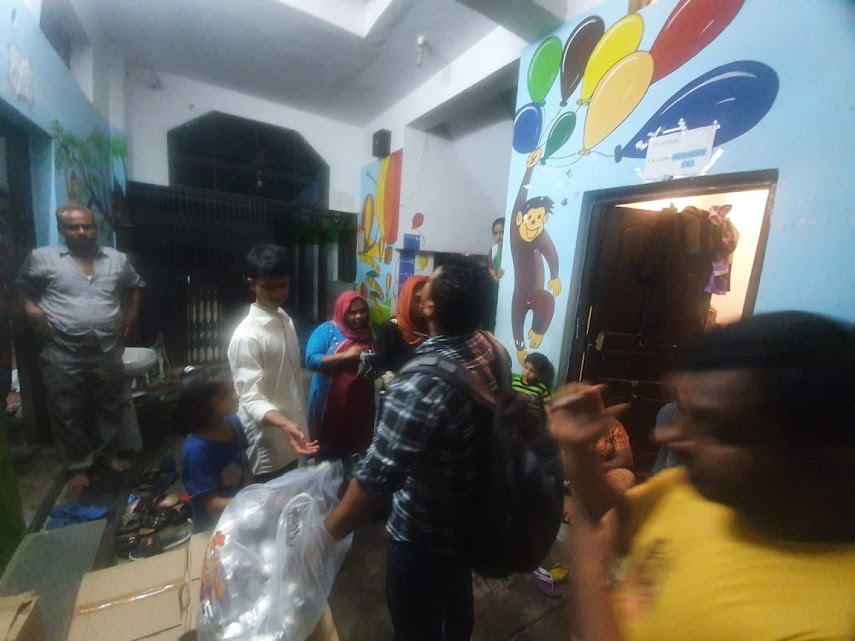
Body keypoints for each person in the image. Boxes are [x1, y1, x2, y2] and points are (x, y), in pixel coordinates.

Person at [551, 311, 855, 641]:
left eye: (715, 426)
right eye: (683, 410)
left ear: (811, 454)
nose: (665, 436)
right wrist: (578, 450)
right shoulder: (697, 487)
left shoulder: (827, 626)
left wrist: (591, 575)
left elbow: (595, 527)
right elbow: (613, 515)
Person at [324, 254, 510, 641]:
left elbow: (376, 480)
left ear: (430, 307)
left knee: (416, 627)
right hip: (471, 518)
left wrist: (326, 535)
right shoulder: (492, 349)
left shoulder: (420, 384)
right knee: (457, 609)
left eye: (428, 287)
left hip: (423, 535)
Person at [16, 205, 144, 492]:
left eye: (88, 226)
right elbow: (22, 285)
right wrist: (30, 308)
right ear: (62, 230)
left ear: (96, 228)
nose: (82, 232)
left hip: (107, 346)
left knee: (109, 404)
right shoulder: (42, 258)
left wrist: (131, 312)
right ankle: (77, 466)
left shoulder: (116, 259)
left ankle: (108, 455)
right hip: (61, 348)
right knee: (67, 409)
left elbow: (135, 284)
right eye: (74, 227)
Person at [227, 244, 317, 483]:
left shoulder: (285, 320)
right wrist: (286, 425)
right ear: (251, 284)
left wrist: (293, 425)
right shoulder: (247, 336)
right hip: (269, 441)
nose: (278, 294)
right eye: (269, 287)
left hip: (292, 433)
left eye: (283, 285)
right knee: (267, 497)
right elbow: (250, 398)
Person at [178, 366, 250, 533]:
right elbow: (212, 505)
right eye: (230, 392)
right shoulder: (196, 451)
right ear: (209, 405)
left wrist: (251, 494)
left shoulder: (233, 422)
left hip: (241, 514)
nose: (237, 396)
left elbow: (246, 468)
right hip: (214, 527)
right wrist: (252, 502)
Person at [305, 291, 375, 460]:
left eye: (362, 311)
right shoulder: (327, 330)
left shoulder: (368, 332)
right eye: (352, 312)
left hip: (360, 402)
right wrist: (345, 356)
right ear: (342, 311)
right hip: (329, 400)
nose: (358, 316)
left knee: (355, 448)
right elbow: (311, 360)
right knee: (325, 449)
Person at [374, 275, 429, 373]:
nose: (422, 306)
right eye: (417, 300)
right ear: (407, 298)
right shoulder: (390, 329)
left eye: (426, 300)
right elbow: (381, 367)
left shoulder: (430, 326)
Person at [512, 351, 553, 416]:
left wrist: (550, 417)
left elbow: (547, 405)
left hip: (531, 417)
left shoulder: (541, 388)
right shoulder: (515, 381)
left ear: (538, 375)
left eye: (532, 371)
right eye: (525, 367)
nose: (527, 372)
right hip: (516, 415)